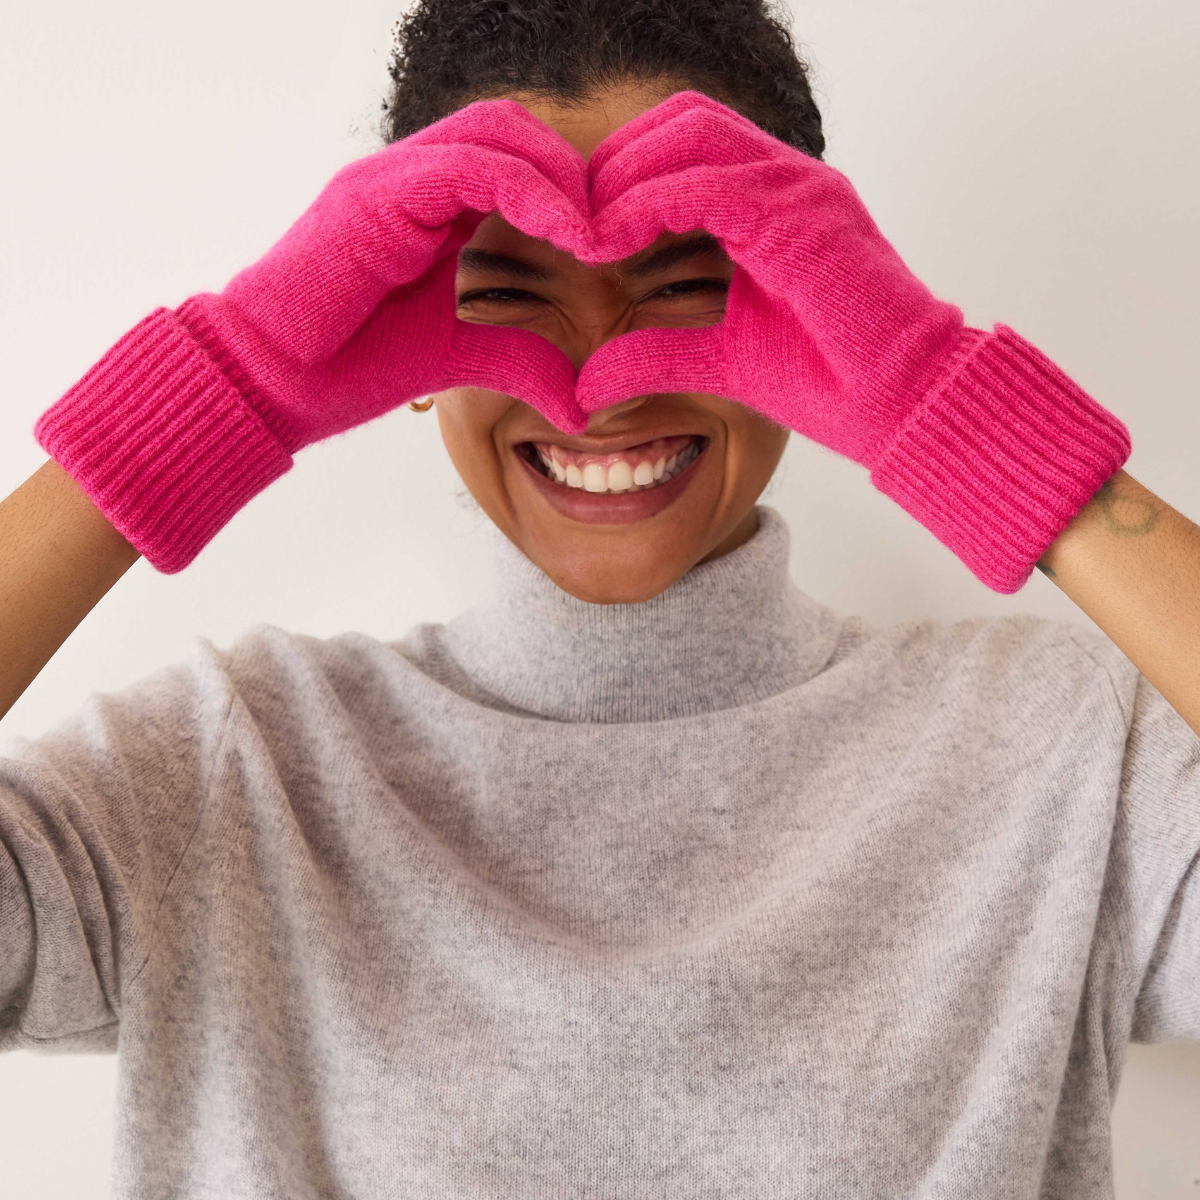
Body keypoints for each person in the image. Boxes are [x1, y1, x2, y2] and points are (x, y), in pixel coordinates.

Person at [1, 0, 1198, 1196]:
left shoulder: (1051, 754)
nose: (595, 392)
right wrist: (226, 383)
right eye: (507, 296)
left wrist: (948, 403)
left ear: (812, 311)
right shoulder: (229, 770)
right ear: (392, 336)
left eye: (682, 288)